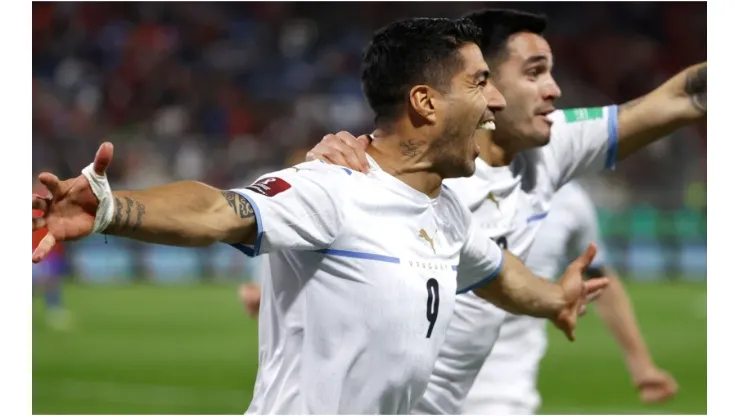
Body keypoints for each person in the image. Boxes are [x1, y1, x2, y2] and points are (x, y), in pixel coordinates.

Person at [31, 17, 608, 415]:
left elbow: (498, 273)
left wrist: (555, 299)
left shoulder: (448, 211)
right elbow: (217, 210)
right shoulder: (333, 187)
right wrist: (112, 208)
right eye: (481, 83)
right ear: (425, 102)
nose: (498, 102)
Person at [305, 9, 705, 414]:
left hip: (499, 402)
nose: (554, 90)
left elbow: (682, 98)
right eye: (533, 74)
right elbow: (331, 224)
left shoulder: (549, 146)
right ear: (484, 86)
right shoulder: (425, 172)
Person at [461, 181, 677, 415]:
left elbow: (602, 279)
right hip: (427, 382)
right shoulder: (449, 182)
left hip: (504, 390)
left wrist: (641, 364)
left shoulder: (569, 200)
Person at [32, 181, 71, 331]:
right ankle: (54, 311)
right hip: (39, 249)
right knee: (47, 281)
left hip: (52, 249)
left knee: (50, 281)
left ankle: (54, 310)